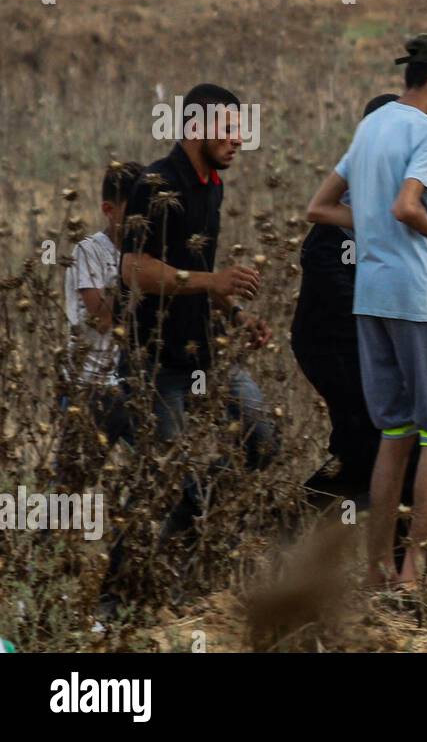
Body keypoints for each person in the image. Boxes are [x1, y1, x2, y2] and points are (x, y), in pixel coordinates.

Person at [306, 34, 427, 589]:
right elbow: (406, 206)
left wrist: (372, 222)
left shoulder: (370, 126)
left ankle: (377, 572)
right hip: (415, 294)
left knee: (394, 430)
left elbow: (319, 207)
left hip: (369, 297)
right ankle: (414, 573)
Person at [117, 83, 277, 540]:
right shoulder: (154, 184)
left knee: (262, 442)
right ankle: (114, 594)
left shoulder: (213, 187)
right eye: (229, 129)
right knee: (160, 480)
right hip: (156, 360)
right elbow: (132, 268)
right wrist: (213, 282)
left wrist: (236, 314)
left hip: (205, 353)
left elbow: (196, 270)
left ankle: (189, 529)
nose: (240, 139)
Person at [57, 161, 143, 490]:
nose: (142, 219)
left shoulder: (150, 253)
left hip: (137, 389)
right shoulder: (88, 253)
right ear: (109, 209)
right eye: (134, 210)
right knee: (69, 490)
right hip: (90, 387)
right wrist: (144, 279)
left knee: (165, 474)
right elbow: (104, 319)